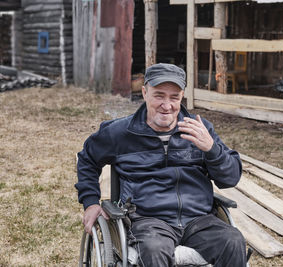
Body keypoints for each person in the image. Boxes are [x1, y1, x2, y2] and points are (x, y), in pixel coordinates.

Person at [75, 63, 247, 267]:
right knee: (154, 249)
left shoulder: (200, 129)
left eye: (174, 97)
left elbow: (230, 178)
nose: (167, 105)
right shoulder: (120, 133)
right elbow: (87, 158)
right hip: (149, 221)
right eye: (159, 95)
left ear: (182, 96)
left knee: (233, 240)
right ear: (145, 92)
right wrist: (91, 202)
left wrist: (212, 149)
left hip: (199, 220)